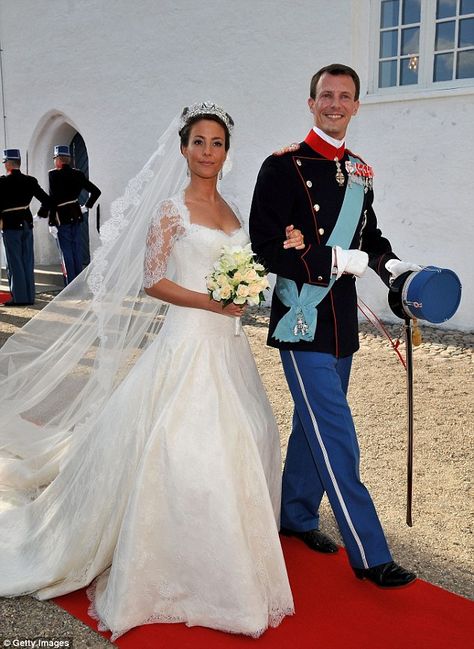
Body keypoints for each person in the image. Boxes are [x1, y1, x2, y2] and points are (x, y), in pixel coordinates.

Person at [0, 103, 303, 639]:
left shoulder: (233, 209)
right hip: (189, 340)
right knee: (185, 446)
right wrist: (212, 302)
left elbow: (249, 264)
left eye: (217, 143)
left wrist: (266, 266)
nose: (208, 151)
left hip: (228, 347)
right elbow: (152, 281)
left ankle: (227, 554)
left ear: (226, 154)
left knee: (250, 434)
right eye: (199, 142)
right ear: (183, 149)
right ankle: (175, 563)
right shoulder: (170, 210)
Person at [249, 64, 419, 588]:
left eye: (345, 97)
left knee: (313, 425)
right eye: (327, 95)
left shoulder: (361, 171)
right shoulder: (280, 167)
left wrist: (395, 271)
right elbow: (266, 246)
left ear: (356, 106)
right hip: (302, 318)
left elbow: (372, 235)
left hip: (341, 323)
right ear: (311, 102)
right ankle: (371, 554)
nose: (335, 104)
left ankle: (296, 515)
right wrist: (332, 261)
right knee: (337, 431)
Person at [41, 144, 101, 284]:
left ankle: (70, 284)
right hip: (76, 214)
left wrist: (51, 222)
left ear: (59, 160)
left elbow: (52, 200)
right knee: (76, 249)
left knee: (66, 251)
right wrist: (86, 206)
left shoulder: (53, 174)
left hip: (62, 217)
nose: (54, 161)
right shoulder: (78, 173)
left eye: (55, 158)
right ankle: (78, 283)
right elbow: (96, 191)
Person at [0, 148, 52, 306]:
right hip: (27, 224)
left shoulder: (2, 182)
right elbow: (47, 201)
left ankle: (20, 298)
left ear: (8, 164)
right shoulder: (30, 181)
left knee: (14, 262)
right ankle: (30, 297)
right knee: (28, 260)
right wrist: (41, 215)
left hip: (10, 226)